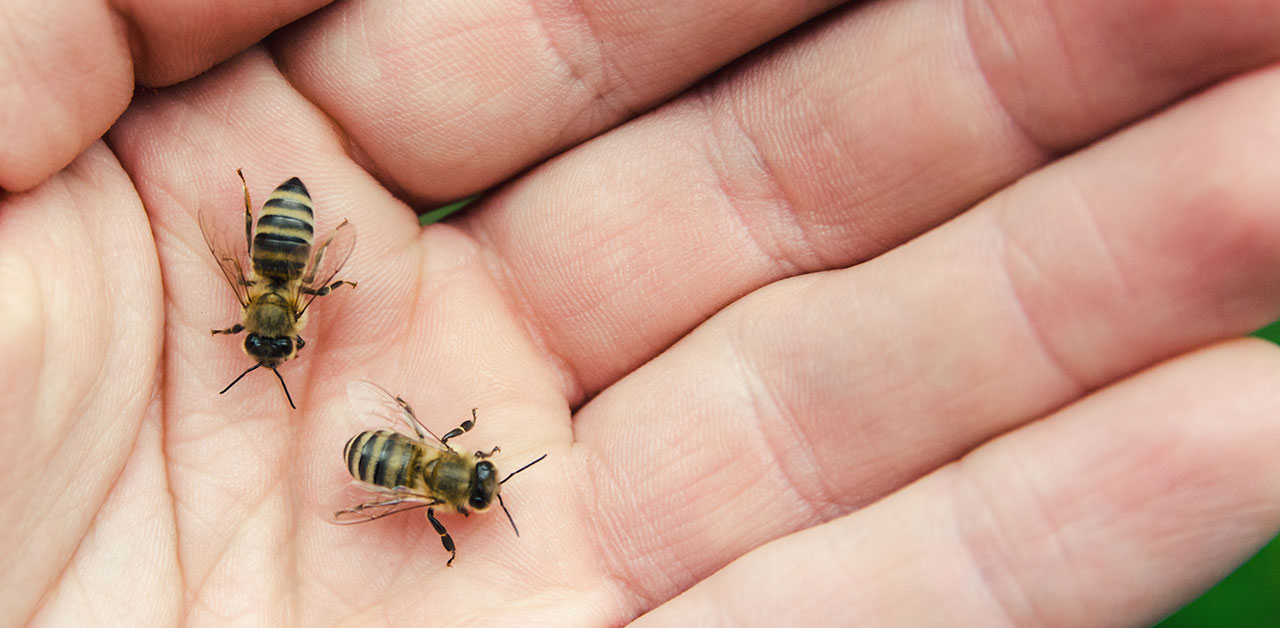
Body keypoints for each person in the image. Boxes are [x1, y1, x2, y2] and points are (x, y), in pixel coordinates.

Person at [3, 0, 1280, 625]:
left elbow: (374, 425)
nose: (469, 482)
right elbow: (380, 450)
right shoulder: (374, 423)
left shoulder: (302, 341)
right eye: (468, 487)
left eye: (464, 486)